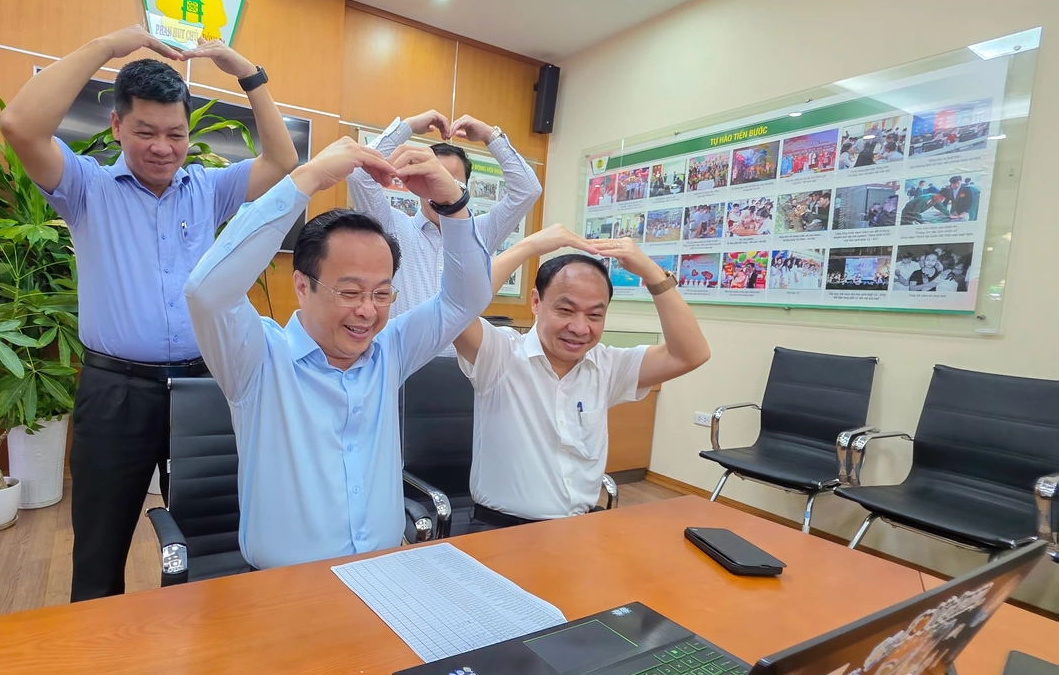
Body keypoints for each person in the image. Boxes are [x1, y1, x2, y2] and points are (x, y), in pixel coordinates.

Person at [0, 24, 299, 602]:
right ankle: (99, 647)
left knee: (214, 536)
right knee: (99, 547)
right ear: (116, 126)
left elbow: (282, 159)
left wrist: (247, 73)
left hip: (202, 387)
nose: (163, 147)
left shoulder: (208, 189)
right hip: (116, 393)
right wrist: (108, 47)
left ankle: (209, 641)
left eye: (175, 134)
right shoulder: (84, 187)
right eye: (145, 132)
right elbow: (19, 125)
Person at [184, 137, 491, 569]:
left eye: (381, 294)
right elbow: (206, 292)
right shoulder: (257, 357)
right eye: (349, 292)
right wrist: (307, 178)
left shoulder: (390, 350)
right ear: (302, 285)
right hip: (285, 587)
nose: (367, 311)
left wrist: (453, 206)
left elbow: (466, 300)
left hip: (385, 573)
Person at [452, 226, 710, 527]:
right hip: (503, 529)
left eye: (594, 315)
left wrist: (653, 274)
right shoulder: (500, 355)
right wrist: (529, 246)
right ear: (536, 302)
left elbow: (691, 354)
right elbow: (456, 309)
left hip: (581, 529)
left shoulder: (607, 366)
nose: (579, 328)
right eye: (566, 310)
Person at [346, 109, 541, 321]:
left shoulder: (479, 232)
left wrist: (490, 136)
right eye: (432, 179)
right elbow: (359, 174)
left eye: (452, 183)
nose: (439, 191)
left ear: (466, 189)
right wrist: (408, 126)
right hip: (402, 343)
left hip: (462, 344)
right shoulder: (391, 226)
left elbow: (528, 190)